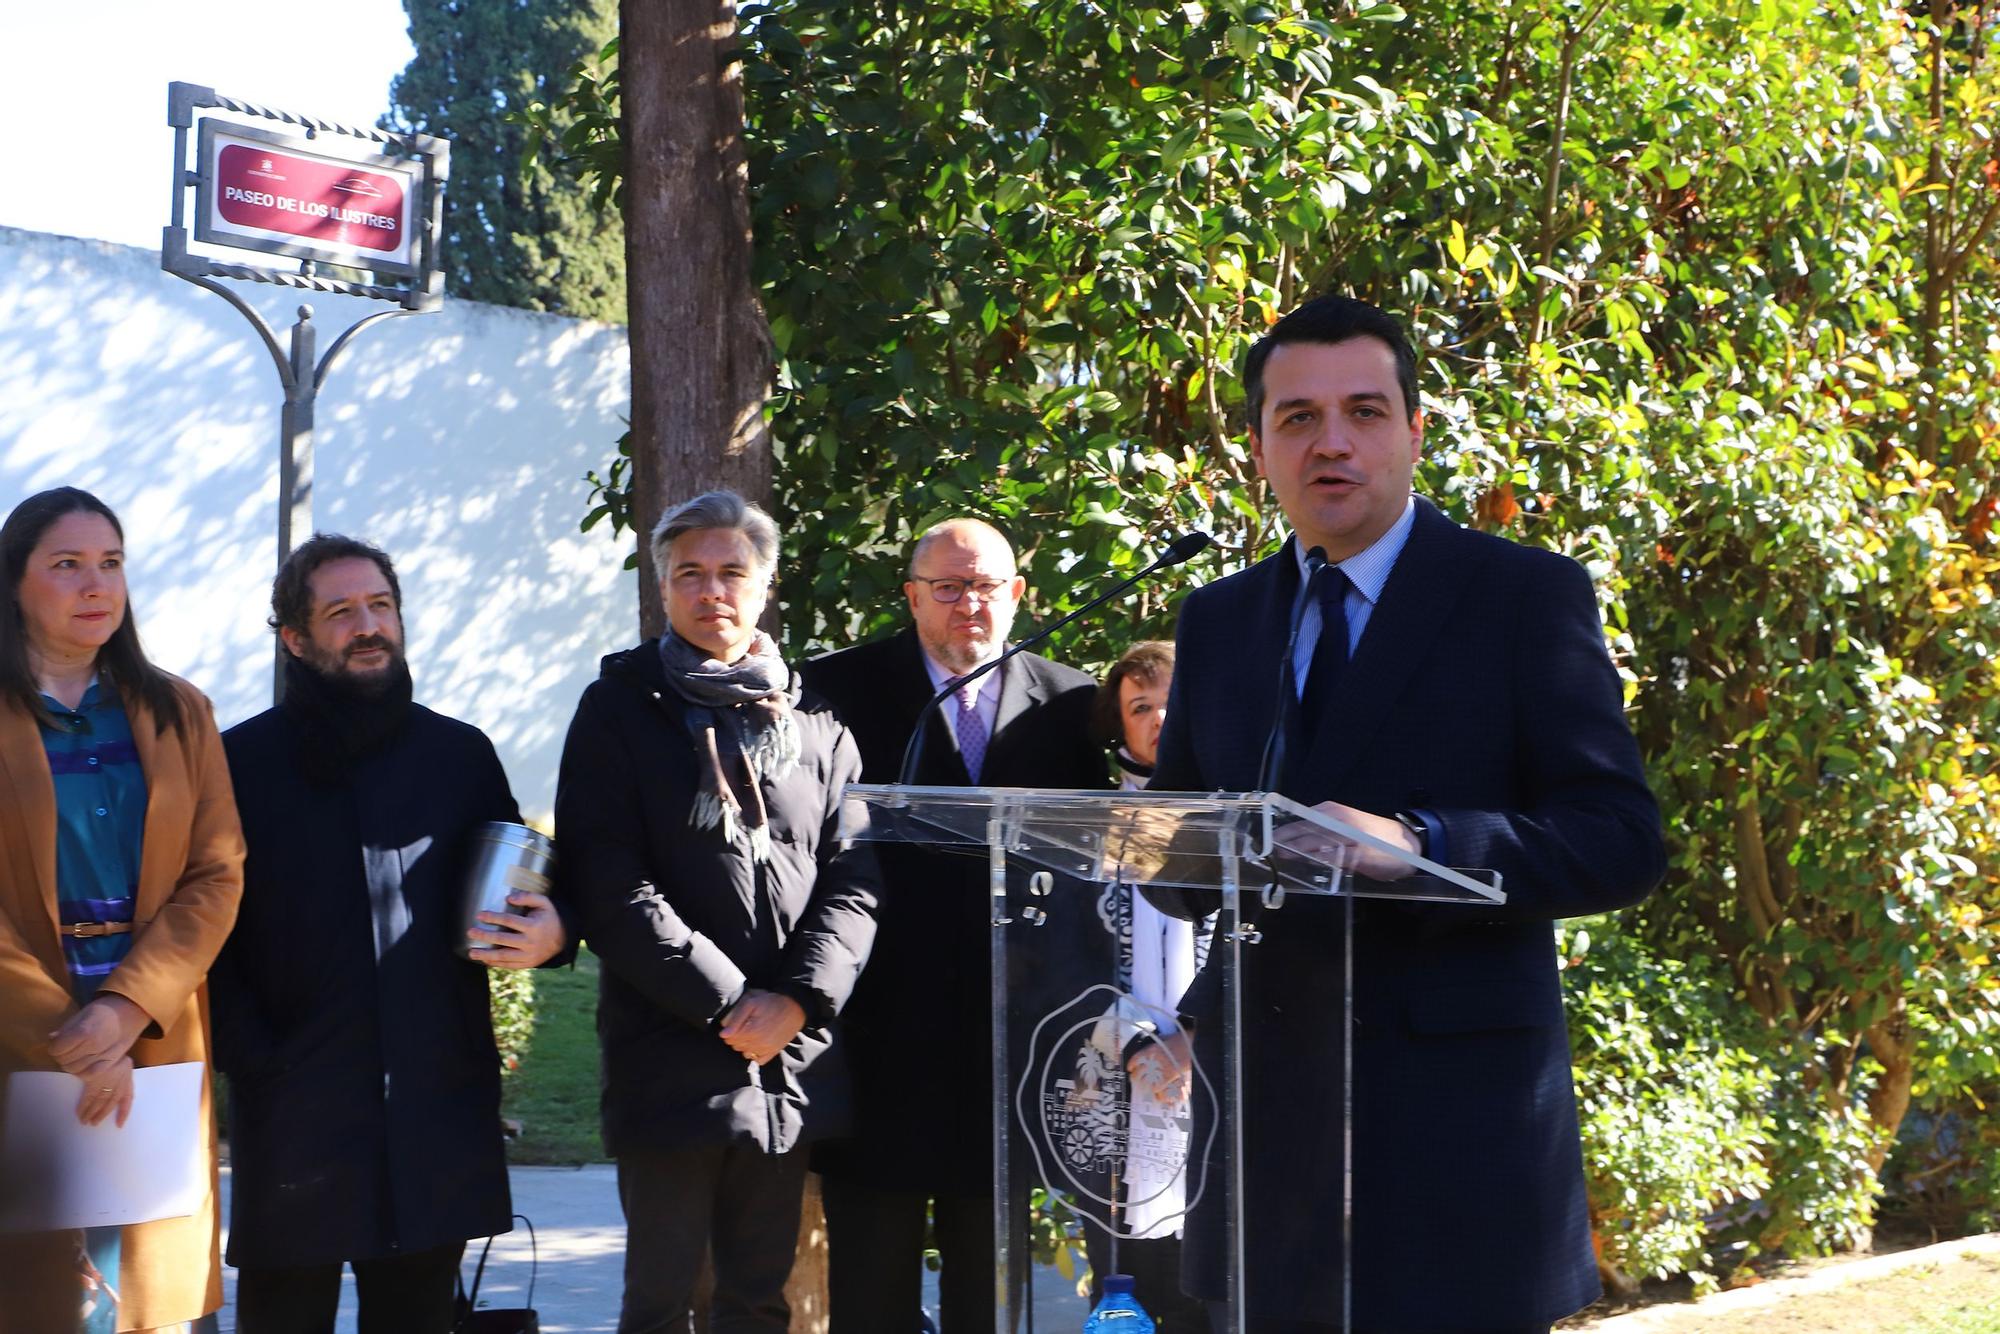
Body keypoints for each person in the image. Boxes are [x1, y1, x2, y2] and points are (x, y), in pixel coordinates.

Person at [1148, 294, 1666, 1332]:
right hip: (1268, 1137)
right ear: (1257, 446)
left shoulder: (1520, 595)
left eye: (1364, 411)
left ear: (1414, 431)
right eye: (1296, 417)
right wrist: (1143, 842)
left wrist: (1424, 844)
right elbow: (1180, 849)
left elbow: (1619, 839)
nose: (1330, 442)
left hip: (1453, 1135)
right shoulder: (1218, 619)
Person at [209, 534, 570, 1333]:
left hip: (433, 1107)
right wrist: (257, 1061)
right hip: (297, 1112)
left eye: (380, 606)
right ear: (296, 640)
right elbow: (208, 933)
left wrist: (555, 931)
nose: (368, 625)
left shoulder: (459, 754)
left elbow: (529, 887)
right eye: (341, 613)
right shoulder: (237, 763)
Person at [554, 490, 879, 1334]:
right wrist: (731, 1002)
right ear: (663, 589)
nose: (712, 592)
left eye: (732, 572)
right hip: (672, 1056)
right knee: (660, 1304)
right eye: (689, 574)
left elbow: (856, 882)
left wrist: (796, 1003)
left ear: (766, 585)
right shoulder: (619, 710)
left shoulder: (819, 723)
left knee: (757, 1303)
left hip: (787, 1062)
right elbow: (608, 880)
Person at [800, 517, 1109, 1332]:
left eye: (985, 587)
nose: (968, 604)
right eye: (948, 587)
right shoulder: (837, 688)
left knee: (993, 1298)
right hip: (876, 1032)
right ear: (912, 597)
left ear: (1016, 595)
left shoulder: (1074, 703)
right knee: (872, 1289)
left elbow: (1086, 872)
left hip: (1005, 1044)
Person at [0, 487, 245, 1333]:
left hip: (154, 1029)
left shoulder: (177, 711)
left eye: (110, 563)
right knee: (33, 1295)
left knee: (144, 1298)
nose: (95, 584)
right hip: (21, 1042)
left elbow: (217, 874)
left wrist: (122, 1011)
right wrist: (67, 1034)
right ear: (15, 583)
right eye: (65, 564)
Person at [1077, 641, 1209, 1332]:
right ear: (1118, 723)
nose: (1159, 718)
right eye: (1141, 706)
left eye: (1171, 703)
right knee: (1130, 1288)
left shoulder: (1237, 818)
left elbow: (1255, 949)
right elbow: (1065, 959)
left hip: (1219, 1088)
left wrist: (1187, 1041)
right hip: (1110, 1092)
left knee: (1210, 1286)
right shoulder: (1083, 828)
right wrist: (1135, 1046)